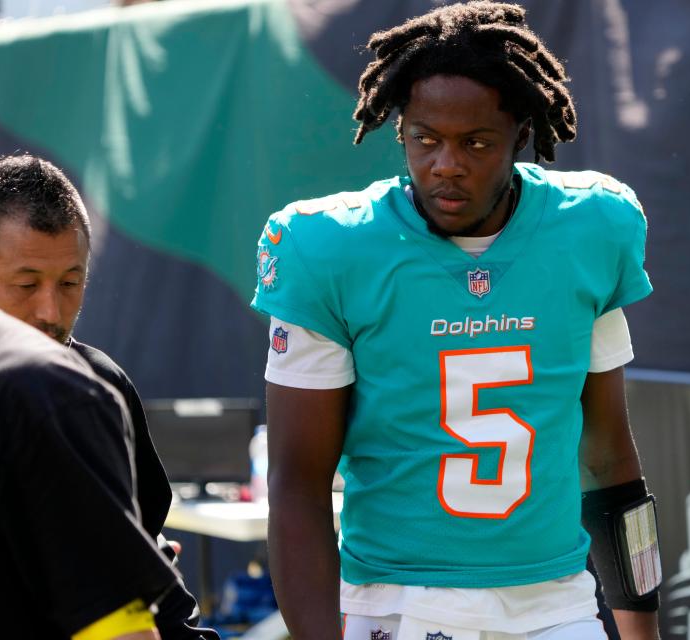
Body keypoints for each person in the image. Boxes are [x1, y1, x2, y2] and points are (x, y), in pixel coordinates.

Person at [251, 3, 661, 639]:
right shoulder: (327, 248)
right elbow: (298, 484)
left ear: (521, 134)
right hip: (396, 602)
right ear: (400, 132)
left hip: (555, 603)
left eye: (475, 142)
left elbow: (610, 459)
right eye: (424, 139)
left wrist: (641, 629)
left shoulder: (592, 229)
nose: (446, 164)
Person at [0, 153, 218, 640]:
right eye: (26, 283)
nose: (50, 310)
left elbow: (143, 577)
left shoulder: (96, 387)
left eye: (70, 282)